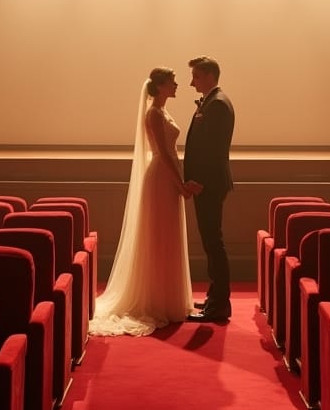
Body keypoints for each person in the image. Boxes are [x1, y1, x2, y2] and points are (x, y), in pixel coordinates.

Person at [89, 67, 195, 337]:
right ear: (160, 86)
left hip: (166, 175)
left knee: (166, 235)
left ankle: (168, 298)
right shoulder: (153, 113)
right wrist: (180, 184)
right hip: (161, 178)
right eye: (173, 81)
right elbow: (164, 154)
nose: (177, 84)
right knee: (159, 236)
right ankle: (157, 299)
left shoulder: (161, 111)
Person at [184, 56, 235, 322]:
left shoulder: (217, 105)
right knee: (211, 243)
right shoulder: (213, 102)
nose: (192, 83)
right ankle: (214, 299)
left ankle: (219, 306)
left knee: (214, 244)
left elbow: (213, 152)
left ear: (209, 76)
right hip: (209, 184)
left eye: (196, 76)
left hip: (210, 185)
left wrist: (198, 181)